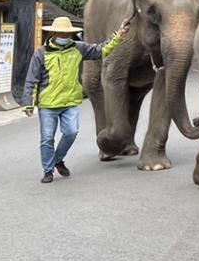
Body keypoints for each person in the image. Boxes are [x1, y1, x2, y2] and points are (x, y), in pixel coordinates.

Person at [22, 15, 128, 184]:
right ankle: (48, 170)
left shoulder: (78, 48)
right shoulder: (41, 53)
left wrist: (119, 34)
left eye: (67, 34)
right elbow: (31, 79)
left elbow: (102, 50)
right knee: (47, 138)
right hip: (48, 104)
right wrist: (28, 103)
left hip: (70, 101)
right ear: (54, 33)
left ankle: (58, 159)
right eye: (61, 34)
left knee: (71, 132)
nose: (64, 37)